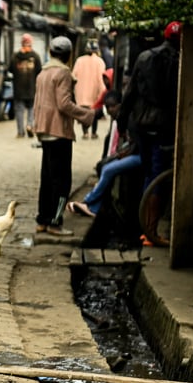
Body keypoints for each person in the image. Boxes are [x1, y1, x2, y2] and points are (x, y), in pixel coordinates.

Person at [33, 36, 95, 236]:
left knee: (47, 178)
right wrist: (87, 115)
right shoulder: (63, 73)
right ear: (68, 56)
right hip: (59, 132)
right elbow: (64, 104)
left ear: (50, 52)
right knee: (62, 182)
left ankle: (43, 219)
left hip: (45, 131)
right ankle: (55, 222)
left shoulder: (43, 72)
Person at [122, 21, 181, 191]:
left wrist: (122, 123)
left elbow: (129, 94)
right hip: (164, 127)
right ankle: (149, 216)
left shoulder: (144, 57)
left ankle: (145, 213)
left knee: (149, 171)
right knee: (156, 174)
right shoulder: (181, 61)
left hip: (142, 125)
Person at [66, 88, 140, 217]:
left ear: (119, 106)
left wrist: (119, 155)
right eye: (107, 107)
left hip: (140, 156)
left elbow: (136, 145)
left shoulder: (130, 120)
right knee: (105, 166)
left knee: (108, 169)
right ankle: (94, 207)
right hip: (132, 153)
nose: (110, 110)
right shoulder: (123, 119)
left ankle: (88, 201)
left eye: (112, 107)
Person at [7, 33, 41, 138]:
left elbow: (10, 70)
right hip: (31, 89)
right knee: (32, 109)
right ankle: (30, 125)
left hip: (19, 89)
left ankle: (20, 132)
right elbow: (39, 71)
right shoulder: (35, 56)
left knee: (19, 110)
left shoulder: (15, 56)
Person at [73, 41, 106, 139]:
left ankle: (85, 132)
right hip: (94, 93)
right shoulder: (100, 62)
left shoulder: (79, 61)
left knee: (84, 113)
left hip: (82, 93)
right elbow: (101, 78)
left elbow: (73, 76)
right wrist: (102, 92)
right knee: (94, 113)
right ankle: (94, 133)